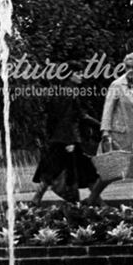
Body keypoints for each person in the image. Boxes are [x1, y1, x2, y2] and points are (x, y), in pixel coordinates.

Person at [87, 53, 133, 206]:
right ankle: (91, 199)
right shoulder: (117, 85)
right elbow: (107, 110)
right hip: (120, 136)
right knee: (111, 173)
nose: (131, 70)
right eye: (128, 67)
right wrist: (105, 133)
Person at [32, 69, 99, 204]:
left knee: (55, 169)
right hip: (67, 139)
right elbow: (67, 117)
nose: (82, 75)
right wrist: (69, 141)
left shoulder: (66, 90)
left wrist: (99, 125)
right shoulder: (68, 92)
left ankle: (36, 199)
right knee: (80, 170)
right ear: (70, 75)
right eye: (78, 73)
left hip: (63, 138)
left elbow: (78, 115)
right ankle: (95, 202)